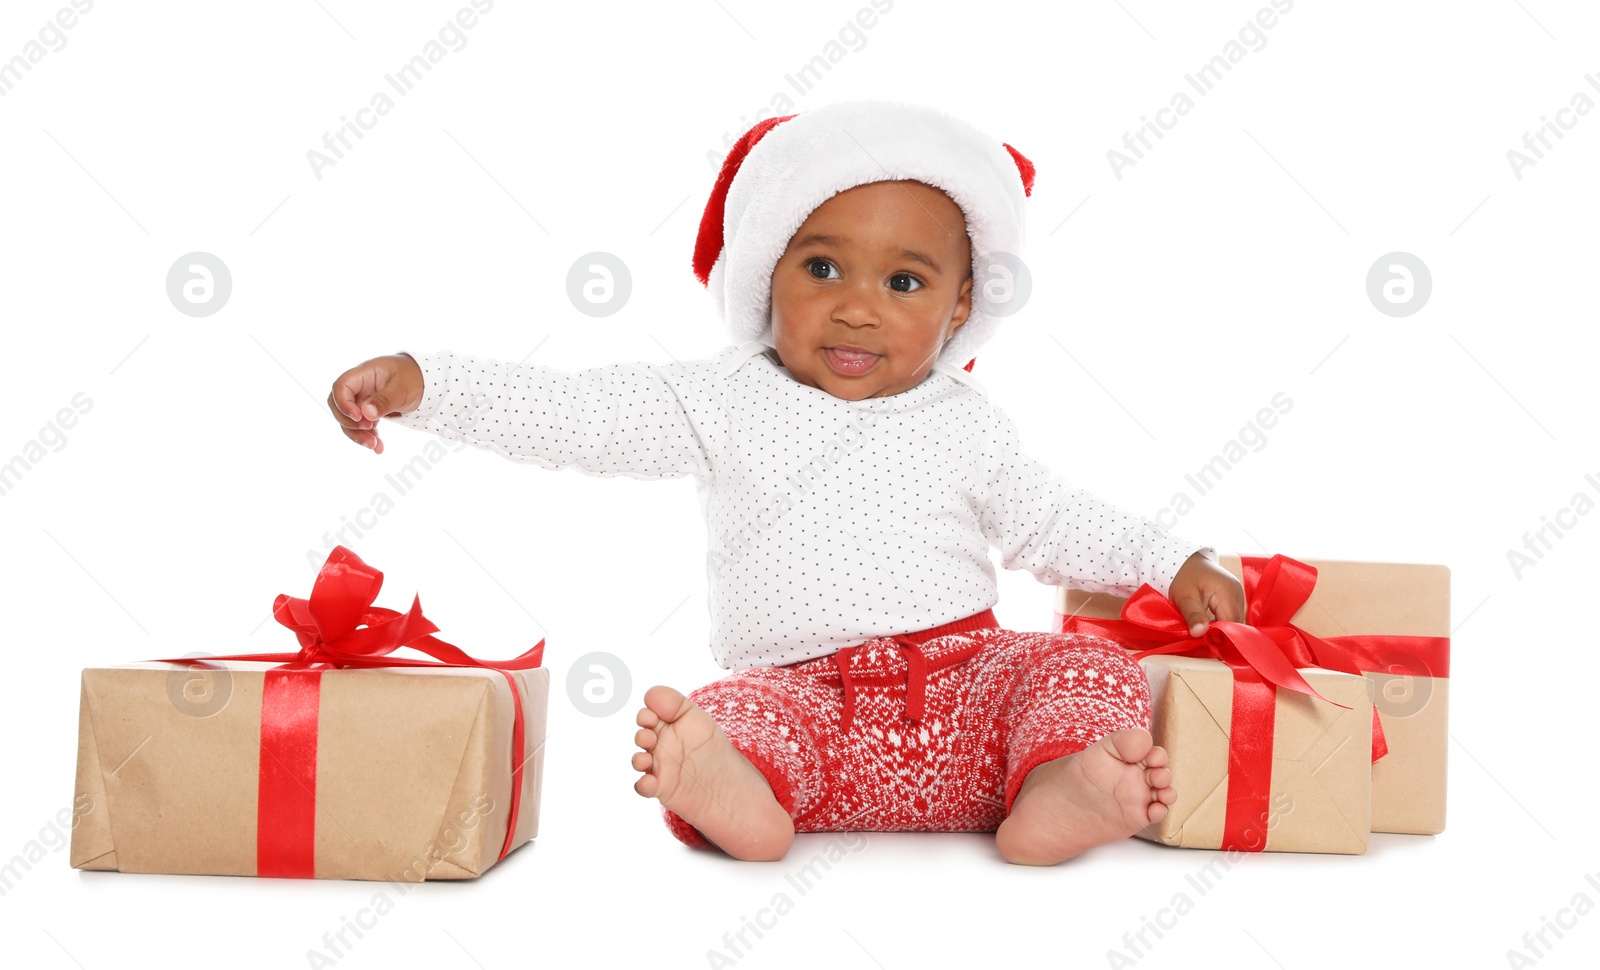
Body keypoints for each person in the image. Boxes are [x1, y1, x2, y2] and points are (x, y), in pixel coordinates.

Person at [326, 99, 1247, 865]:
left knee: (1082, 666)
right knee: (729, 714)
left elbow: (1053, 521)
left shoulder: (967, 423)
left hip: (970, 700)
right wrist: (428, 384)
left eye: (906, 281)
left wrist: (1172, 559)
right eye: (822, 267)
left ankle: (1058, 789)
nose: (857, 304)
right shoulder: (723, 400)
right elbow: (585, 414)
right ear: (767, 275)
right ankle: (740, 796)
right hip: (810, 706)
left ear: (961, 305)